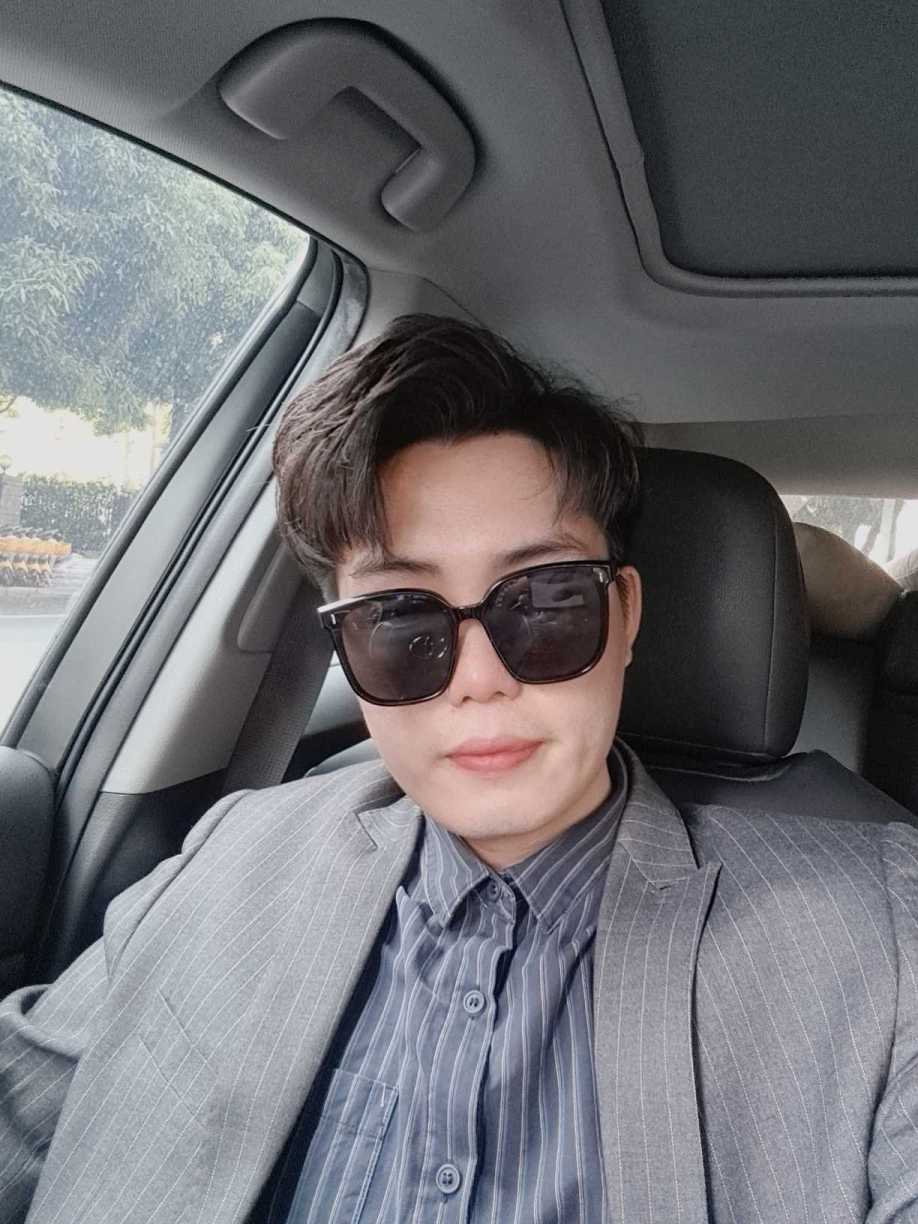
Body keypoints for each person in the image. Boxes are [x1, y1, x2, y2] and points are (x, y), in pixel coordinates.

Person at [2, 315, 918, 1224]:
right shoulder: (231, 856)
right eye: (399, 619)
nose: (480, 680)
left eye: (545, 603)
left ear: (626, 615)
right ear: (344, 646)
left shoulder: (880, 939)